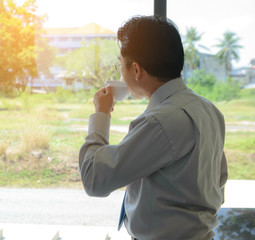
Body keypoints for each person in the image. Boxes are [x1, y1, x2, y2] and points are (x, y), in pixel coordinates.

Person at [79, 15, 228, 240]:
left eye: (121, 64)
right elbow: (219, 179)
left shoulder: (160, 122)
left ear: (136, 70)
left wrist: (101, 114)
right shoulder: (208, 110)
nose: (120, 72)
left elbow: (94, 180)